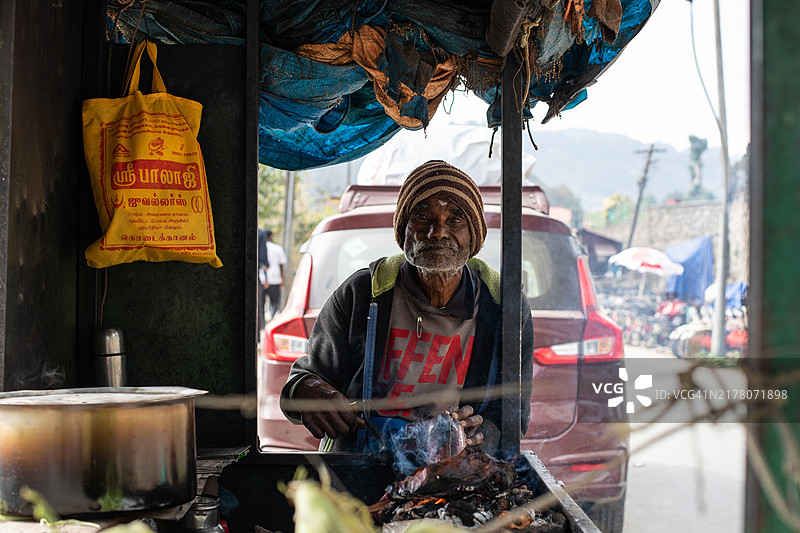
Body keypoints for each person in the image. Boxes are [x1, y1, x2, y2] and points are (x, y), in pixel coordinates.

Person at [280, 160, 533, 460]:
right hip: (359, 466)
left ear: (474, 238)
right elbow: (298, 386)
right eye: (423, 217)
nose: (437, 232)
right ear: (404, 231)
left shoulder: (503, 306)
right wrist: (309, 391)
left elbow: (513, 419)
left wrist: (480, 435)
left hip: (452, 475)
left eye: (455, 221)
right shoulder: (362, 294)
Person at [263, 229, 287, 319]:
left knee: (262, 303)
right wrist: (282, 279)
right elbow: (281, 265)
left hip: (263, 279)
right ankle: (272, 317)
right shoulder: (277, 248)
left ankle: (263, 323)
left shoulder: (260, 248)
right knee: (275, 302)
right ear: (271, 237)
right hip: (275, 278)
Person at [257, 228, 270, 340]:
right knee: (258, 304)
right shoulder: (260, 233)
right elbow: (262, 258)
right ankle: (257, 335)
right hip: (255, 275)